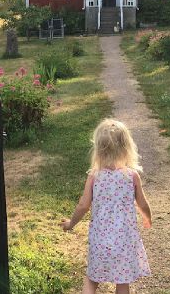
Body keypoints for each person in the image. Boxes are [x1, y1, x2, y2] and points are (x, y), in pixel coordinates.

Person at [60, 119, 152, 294]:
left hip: (100, 241)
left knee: (92, 278)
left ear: (99, 151)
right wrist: (147, 217)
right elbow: (142, 203)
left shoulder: (95, 176)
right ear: (127, 148)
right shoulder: (132, 176)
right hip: (125, 240)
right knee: (122, 282)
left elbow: (83, 205)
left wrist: (71, 223)